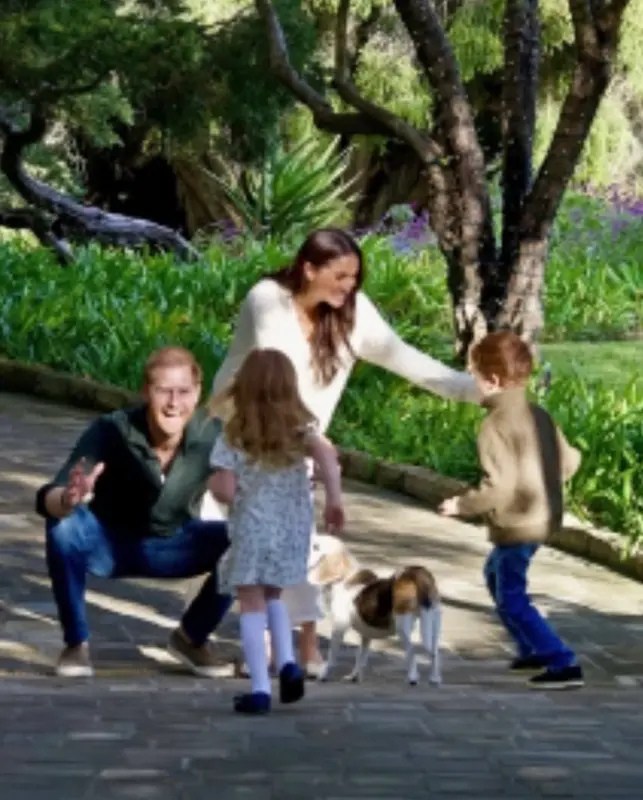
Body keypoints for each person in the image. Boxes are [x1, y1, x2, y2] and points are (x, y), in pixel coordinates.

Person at [203, 227, 480, 676]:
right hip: (244, 437)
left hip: (298, 445)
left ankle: (300, 649)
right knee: (245, 547)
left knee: (297, 545)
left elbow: (405, 358)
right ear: (308, 269)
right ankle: (261, 647)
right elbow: (279, 378)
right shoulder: (267, 299)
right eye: (340, 276)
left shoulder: (354, 314)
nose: (349, 286)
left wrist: (474, 390)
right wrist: (311, 437)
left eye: (355, 277)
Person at [35, 346, 232, 678]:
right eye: (163, 391)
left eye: (183, 392)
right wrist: (69, 499)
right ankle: (75, 644)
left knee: (246, 540)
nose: (173, 402)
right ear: (145, 392)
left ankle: (191, 638)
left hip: (174, 544)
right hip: (108, 544)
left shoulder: (212, 435)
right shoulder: (112, 429)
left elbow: (243, 484)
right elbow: (47, 497)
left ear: (197, 394)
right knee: (64, 526)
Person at [439, 331, 584, 689]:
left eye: (473, 374)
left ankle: (561, 660)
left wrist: (461, 505)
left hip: (518, 526)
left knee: (512, 595)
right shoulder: (539, 414)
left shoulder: (494, 426)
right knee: (497, 576)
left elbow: (497, 487)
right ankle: (530, 648)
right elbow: (571, 461)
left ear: (492, 381)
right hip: (544, 518)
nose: (472, 382)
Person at [208, 348, 344, 714]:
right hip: (292, 530)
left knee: (250, 603)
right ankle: (286, 663)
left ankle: (260, 688)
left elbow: (224, 490)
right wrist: (334, 499)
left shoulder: (232, 438)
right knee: (274, 597)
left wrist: (217, 489)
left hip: (253, 529)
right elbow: (329, 460)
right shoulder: (302, 432)